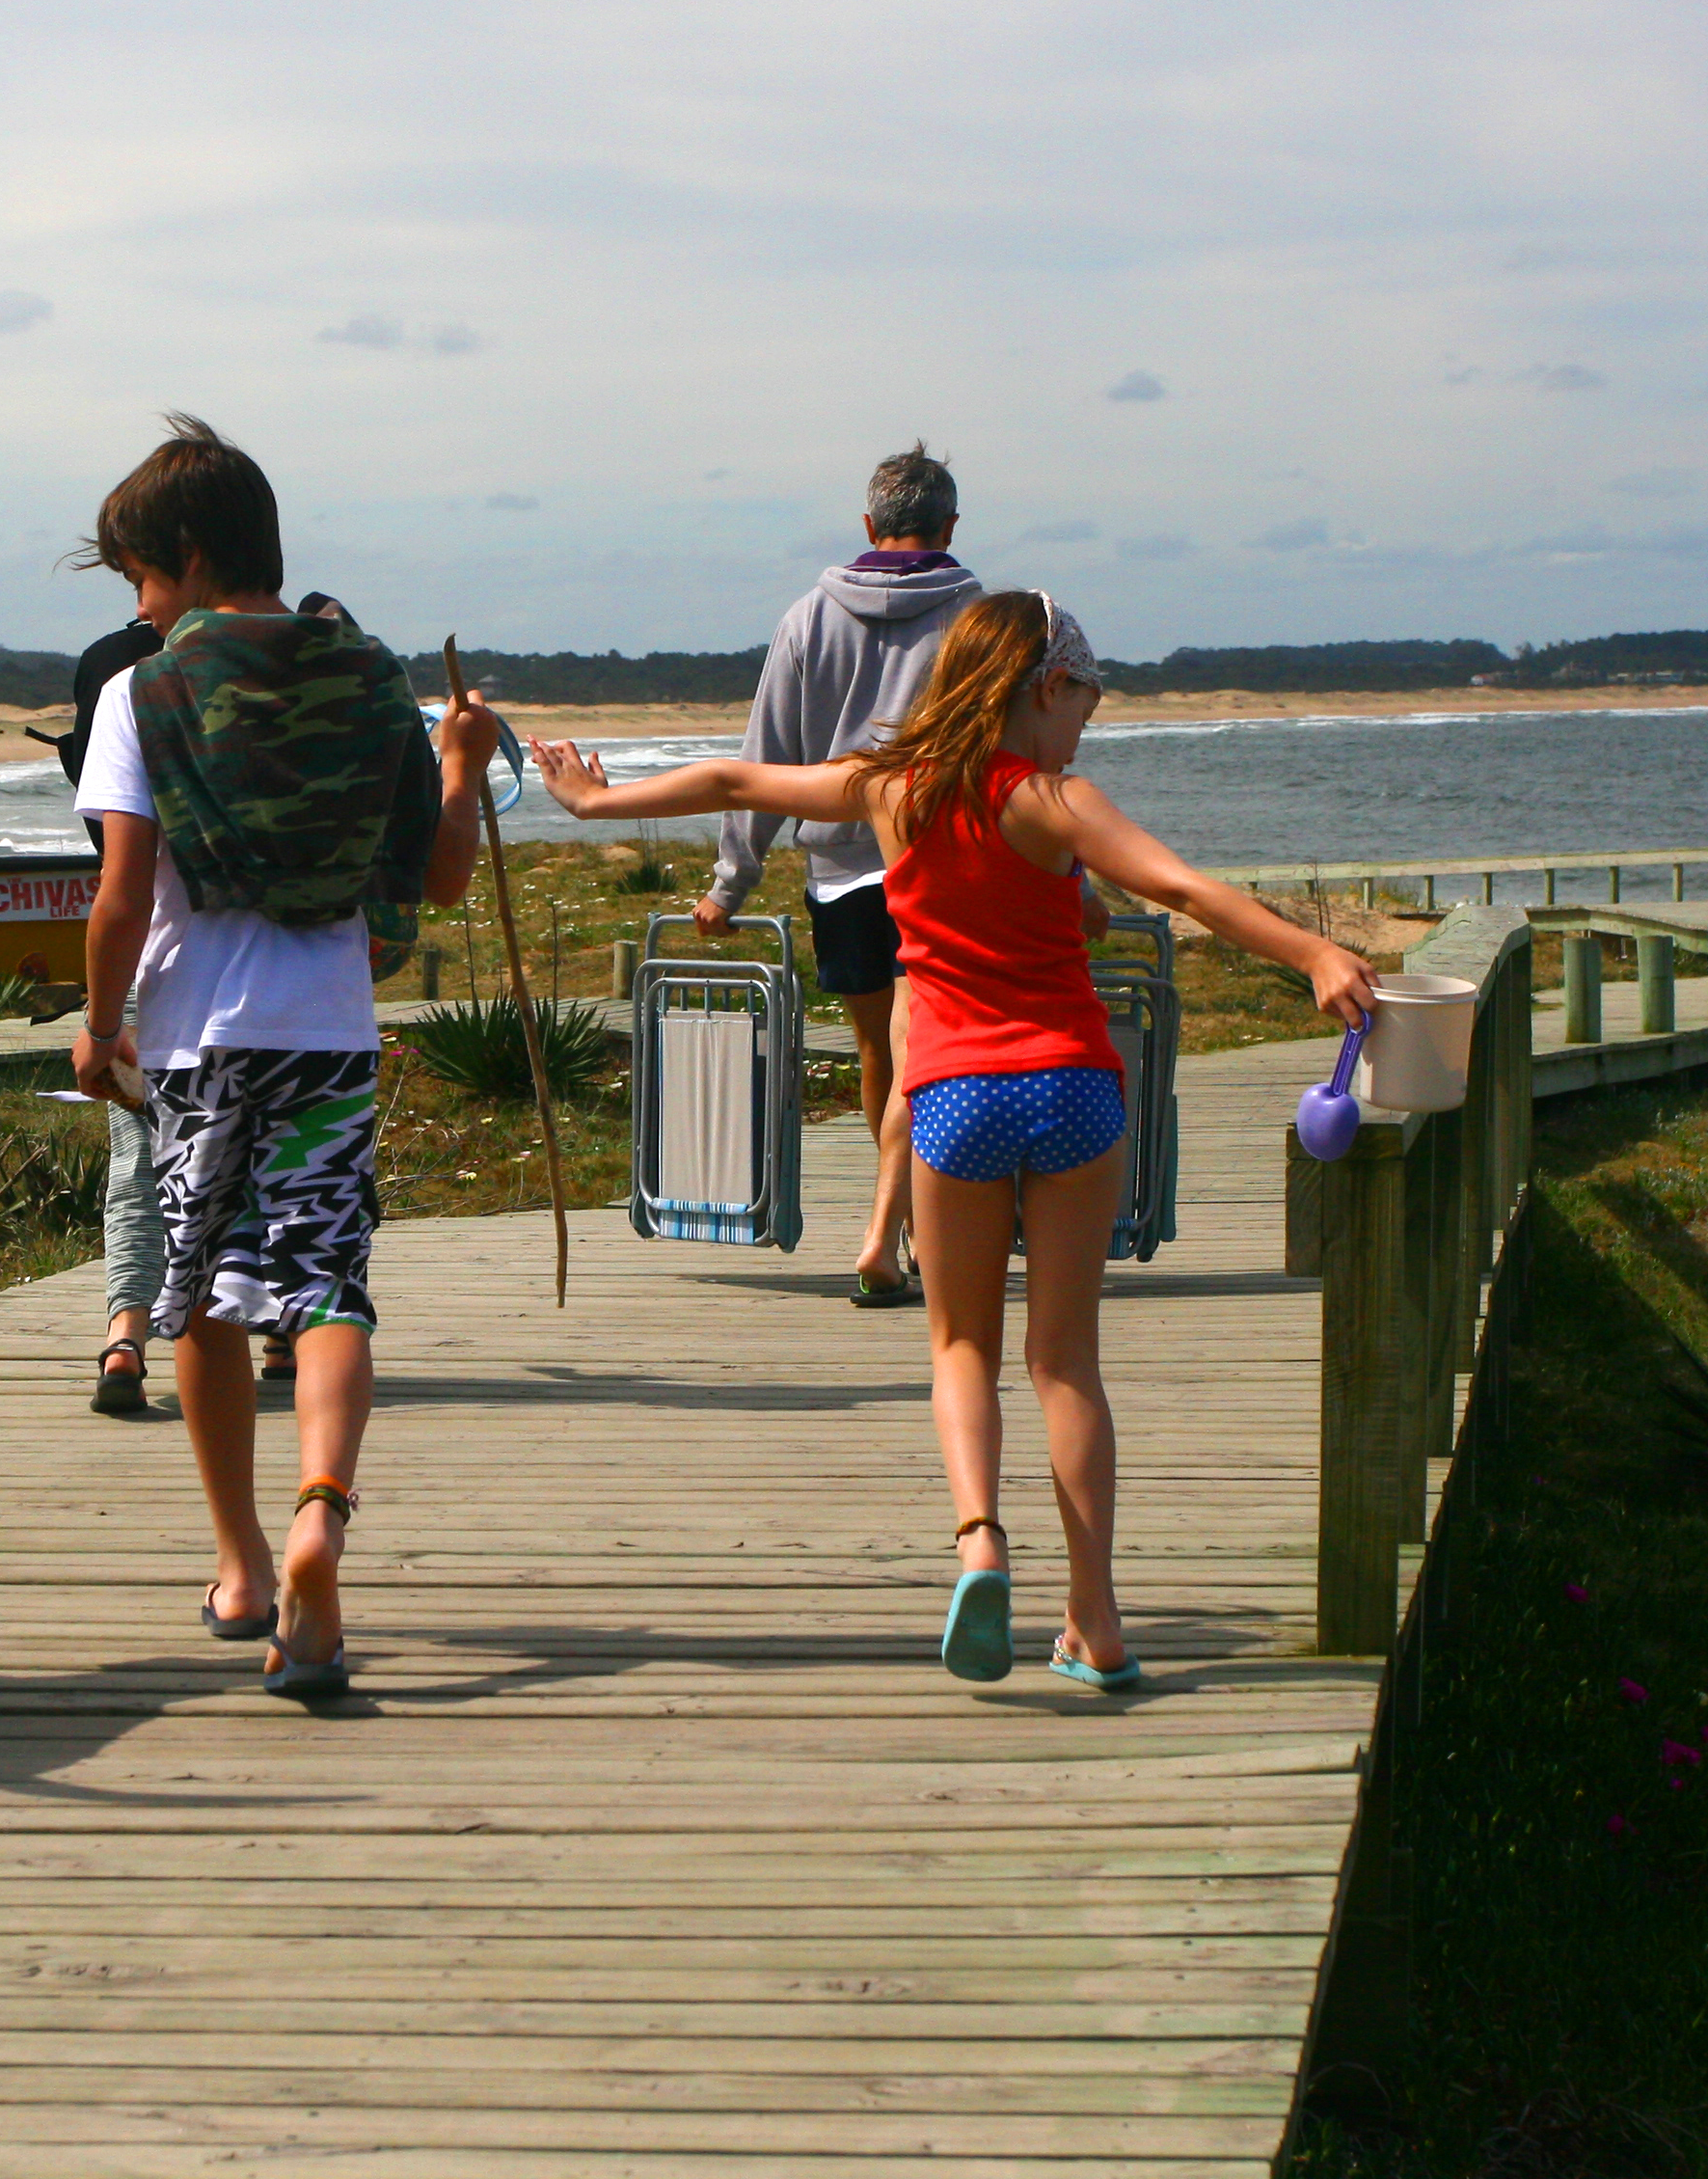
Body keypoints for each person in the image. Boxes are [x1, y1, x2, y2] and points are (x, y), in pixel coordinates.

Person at [531, 590, 1374, 1689]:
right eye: (1086, 699)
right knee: (1066, 1362)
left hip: (955, 1097)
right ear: (1045, 686)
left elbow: (738, 781)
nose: (1087, 724)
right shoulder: (1058, 802)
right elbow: (1180, 887)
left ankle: (979, 1540)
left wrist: (598, 805)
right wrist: (1313, 956)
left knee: (962, 1348)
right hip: (1074, 1090)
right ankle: (1097, 1620)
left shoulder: (893, 787)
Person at [70, 415, 498, 1700]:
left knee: (196, 1295)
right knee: (324, 1288)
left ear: (190, 559)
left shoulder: (138, 693)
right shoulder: (368, 680)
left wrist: (99, 1029)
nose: (142, 608)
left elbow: (122, 895)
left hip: (198, 1044)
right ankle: (323, 1511)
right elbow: (437, 874)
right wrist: (462, 767)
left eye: (142, 577)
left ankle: (245, 1564)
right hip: (330, 1035)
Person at [701, 444, 982, 1309]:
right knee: (933, 1056)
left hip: (840, 876)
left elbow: (765, 755)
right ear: (950, 527)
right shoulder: (979, 619)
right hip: (940, 866)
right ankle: (915, 1227)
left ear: (869, 525)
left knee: (878, 1055)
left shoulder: (806, 620)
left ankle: (897, 1226)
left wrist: (729, 882)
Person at [46, 602, 167, 1416]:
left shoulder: (112, 676)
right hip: (260, 966)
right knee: (264, 1161)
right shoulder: (276, 662)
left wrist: (97, 1025)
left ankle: (126, 1333)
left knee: (138, 1160)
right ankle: (277, 1330)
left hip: (150, 962)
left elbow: (120, 893)